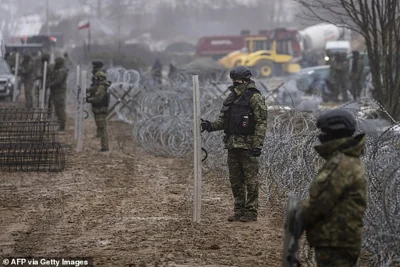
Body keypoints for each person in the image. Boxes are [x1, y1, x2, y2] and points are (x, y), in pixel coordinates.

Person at [299, 109, 367, 267]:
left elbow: (321, 204)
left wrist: (298, 214)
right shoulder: (346, 160)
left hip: (336, 242)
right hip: (339, 239)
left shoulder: (341, 164)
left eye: (324, 131)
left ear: (334, 133)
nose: (320, 136)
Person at [201, 66, 268, 222]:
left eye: (237, 80)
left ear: (245, 80)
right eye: (233, 80)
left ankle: (251, 212)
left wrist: (258, 144)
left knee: (251, 180)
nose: (235, 83)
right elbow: (224, 121)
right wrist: (210, 126)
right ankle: (239, 210)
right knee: (236, 181)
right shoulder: (231, 97)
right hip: (232, 145)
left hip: (248, 146)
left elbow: (261, 123)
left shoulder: (255, 97)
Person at [86, 71, 110, 152]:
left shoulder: (101, 87)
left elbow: (98, 99)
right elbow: (92, 90)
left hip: (100, 109)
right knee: (101, 128)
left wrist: (89, 99)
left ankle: (105, 147)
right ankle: (104, 145)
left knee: (102, 128)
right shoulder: (100, 86)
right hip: (99, 109)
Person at [48, 57, 68, 131]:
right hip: (56, 92)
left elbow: (58, 81)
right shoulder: (57, 70)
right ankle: (60, 125)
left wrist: (50, 85)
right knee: (57, 109)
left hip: (60, 92)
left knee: (60, 109)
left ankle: (62, 126)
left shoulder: (62, 71)